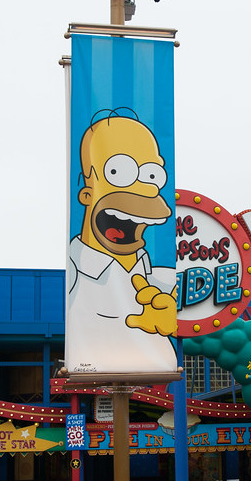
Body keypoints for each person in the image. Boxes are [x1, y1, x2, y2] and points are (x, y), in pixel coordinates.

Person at [66, 110, 177, 374]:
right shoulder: (73, 276)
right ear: (86, 193)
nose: (140, 190)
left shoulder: (163, 279)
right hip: (92, 374)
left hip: (160, 382)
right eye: (118, 171)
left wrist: (175, 320)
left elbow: (212, 323)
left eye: (152, 175)